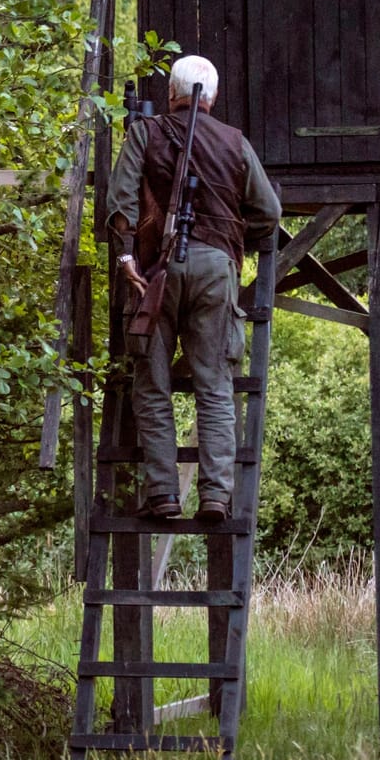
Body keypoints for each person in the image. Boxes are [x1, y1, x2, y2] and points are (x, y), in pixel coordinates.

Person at [108, 56, 281, 522]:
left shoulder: (144, 133)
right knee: (216, 387)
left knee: (152, 385)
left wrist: (126, 256)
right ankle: (216, 497)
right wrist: (229, 237)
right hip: (215, 269)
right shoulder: (236, 142)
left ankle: (164, 495)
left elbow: (120, 201)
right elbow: (269, 212)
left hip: (151, 272)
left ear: (172, 95)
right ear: (214, 97)